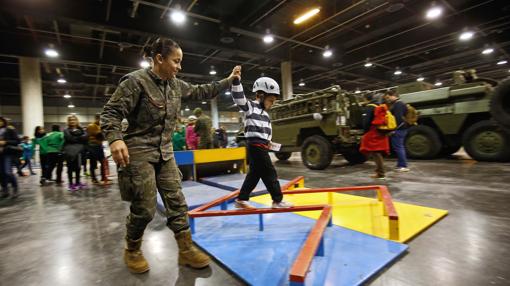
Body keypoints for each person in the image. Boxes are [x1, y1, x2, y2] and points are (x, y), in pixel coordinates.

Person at [100, 37, 239, 274]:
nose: (179, 66)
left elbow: (202, 90)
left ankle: (185, 250)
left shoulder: (175, 84)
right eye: (176, 61)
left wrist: (229, 80)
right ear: (159, 59)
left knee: (177, 202)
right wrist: (115, 138)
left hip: (165, 152)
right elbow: (111, 112)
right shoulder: (135, 82)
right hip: (139, 151)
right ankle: (132, 249)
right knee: (144, 208)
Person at [231, 74, 293, 209]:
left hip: (262, 146)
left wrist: (270, 142)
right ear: (260, 95)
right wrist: (236, 81)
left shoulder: (265, 115)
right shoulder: (250, 107)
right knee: (270, 172)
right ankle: (277, 200)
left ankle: (241, 199)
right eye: (270, 100)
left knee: (255, 174)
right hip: (255, 145)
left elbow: (267, 132)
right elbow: (239, 98)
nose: (272, 104)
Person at [359, 93, 390, 180]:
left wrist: (365, 132)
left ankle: (381, 173)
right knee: (378, 152)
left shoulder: (369, 107)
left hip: (373, 132)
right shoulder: (378, 106)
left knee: (376, 153)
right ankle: (379, 172)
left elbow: (366, 122)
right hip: (380, 131)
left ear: (365, 98)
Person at [385, 90, 410, 172]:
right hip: (402, 128)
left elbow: (398, 119)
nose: (388, 100)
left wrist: (394, 130)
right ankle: (400, 165)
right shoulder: (400, 103)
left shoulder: (398, 104)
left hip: (399, 129)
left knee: (399, 147)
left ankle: (403, 166)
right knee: (398, 147)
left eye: (388, 97)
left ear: (393, 95)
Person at [63, 115, 88, 191]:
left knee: (78, 167)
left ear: (77, 121)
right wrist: (79, 136)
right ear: (68, 122)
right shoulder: (66, 130)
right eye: (70, 120)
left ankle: (77, 182)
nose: (72, 121)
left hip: (79, 151)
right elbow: (70, 139)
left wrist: (77, 136)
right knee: (70, 168)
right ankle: (70, 184)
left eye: (74, 120)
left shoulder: (81, 129)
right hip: (70, 151)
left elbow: (85, 137)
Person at [87, 114, 111, 185]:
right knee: (93, 163)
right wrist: (104, 131)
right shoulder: (91, 126)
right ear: (96, 119)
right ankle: (94, 178)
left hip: (99, 146)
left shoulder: (100, 126)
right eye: (100, 119)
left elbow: (103, 136)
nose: (101, 121)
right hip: (92, 146)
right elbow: (98, 135)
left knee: (103, 162)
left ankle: (103, 177)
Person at [0, 117, 20, 198]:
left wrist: (5, 142)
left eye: (0, 121)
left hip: (7, 153)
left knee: (8, 172)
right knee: (1, 173)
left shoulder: (10, 129)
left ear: (3, 121)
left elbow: (17, 141)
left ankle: (15, 188)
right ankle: (5, 189)